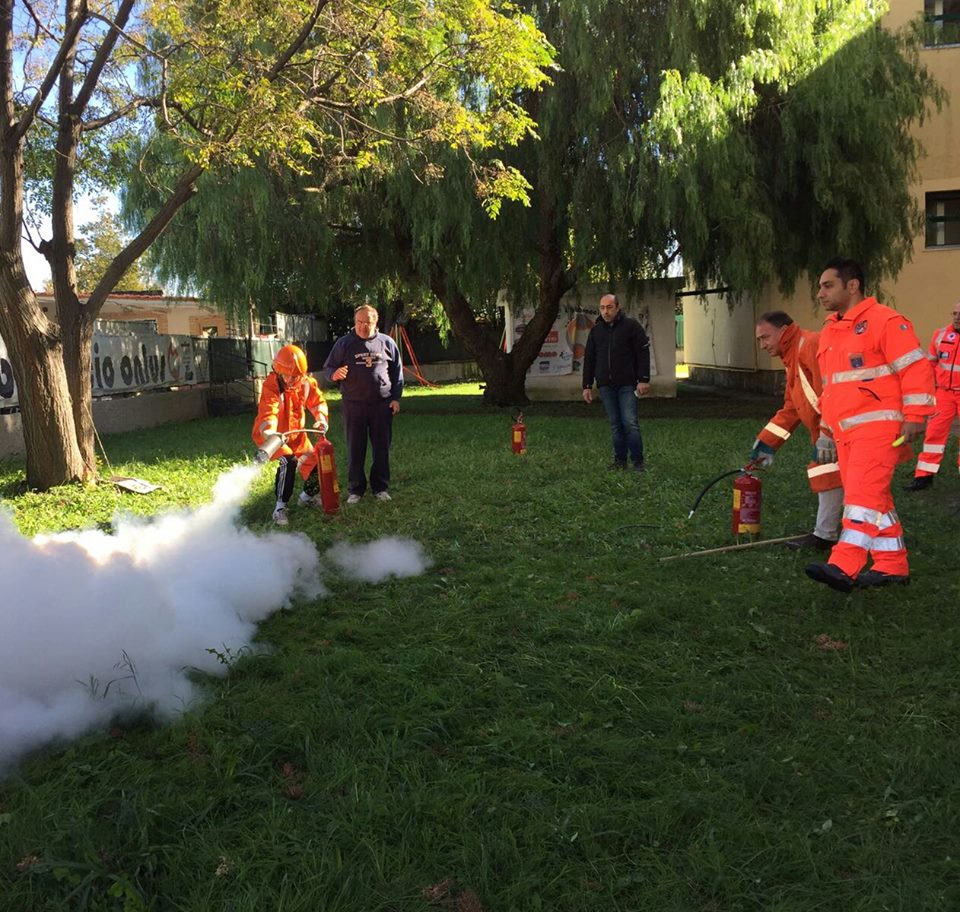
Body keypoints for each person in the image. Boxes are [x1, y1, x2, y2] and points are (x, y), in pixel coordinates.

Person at [805, 258, 935, 592]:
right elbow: (833, 388)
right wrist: (827, 430)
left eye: (827, 285)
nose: (820, 293)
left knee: (862, 497)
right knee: (874, 497)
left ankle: (844, 564)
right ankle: (892, 566)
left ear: (853, 285)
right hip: (847, 432)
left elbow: (915, 369)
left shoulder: (885, 322)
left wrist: (916, 416)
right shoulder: (832, 331)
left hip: (879, 429)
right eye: (820, 286)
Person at [749, 311, 842, 551]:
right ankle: (828, 535)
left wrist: (827, 435)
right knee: (828, 476)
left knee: (852, 484)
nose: (762, 345)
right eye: (759, 340)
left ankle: (855, 538)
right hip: (830, 432)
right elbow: (792, 408)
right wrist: (766, 442)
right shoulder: (793, 356)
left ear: (783, 331)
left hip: (840, 431)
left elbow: (831, 393)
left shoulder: (809, 346)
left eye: (765, 337)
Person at [323, 304, 403, 503]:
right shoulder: (344, 343)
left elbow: (397, 372)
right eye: (359, 322)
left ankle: (381, 488)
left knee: (381, 448)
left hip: (382, 405)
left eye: (367, 322)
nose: (362, 326)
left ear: (375, 322)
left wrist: (395, 398)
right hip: (353, 405)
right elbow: (328, 367)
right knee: (355, 448)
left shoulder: (387, 342)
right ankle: (355, 490)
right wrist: (334, 374)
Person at [252, 344, 330, 526]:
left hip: (297, 436)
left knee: (318, 462)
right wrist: (271, 433)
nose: (288, 379)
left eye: (294, 376)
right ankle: (279, 508)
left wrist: (321, 419)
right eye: (284, 375)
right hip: (274, 437)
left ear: (302, 374)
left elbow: (317, 402)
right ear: (276, 370)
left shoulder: (306, 384)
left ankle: (306, 497)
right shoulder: (271, 386)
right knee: (289, 461)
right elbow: (268, 411)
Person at [581, 293, 650, 470]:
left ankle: (638, 462)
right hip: (605, 386)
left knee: (630, 422)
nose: (606, 311)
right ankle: (620, 461)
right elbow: (589, 359)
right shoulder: (596, 331)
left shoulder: (631, 326)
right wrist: (587, 385)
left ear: (617, 308)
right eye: (602, 308)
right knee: (615, 424)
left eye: (609, 307)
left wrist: (643, 379)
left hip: (628, 384)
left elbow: (643, 353)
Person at [903, 299, 960, 491]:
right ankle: (924, 476)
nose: (957, 317)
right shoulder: (941, 335)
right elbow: (931, 364)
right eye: (954, 313)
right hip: (943, 393)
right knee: (933, 434)